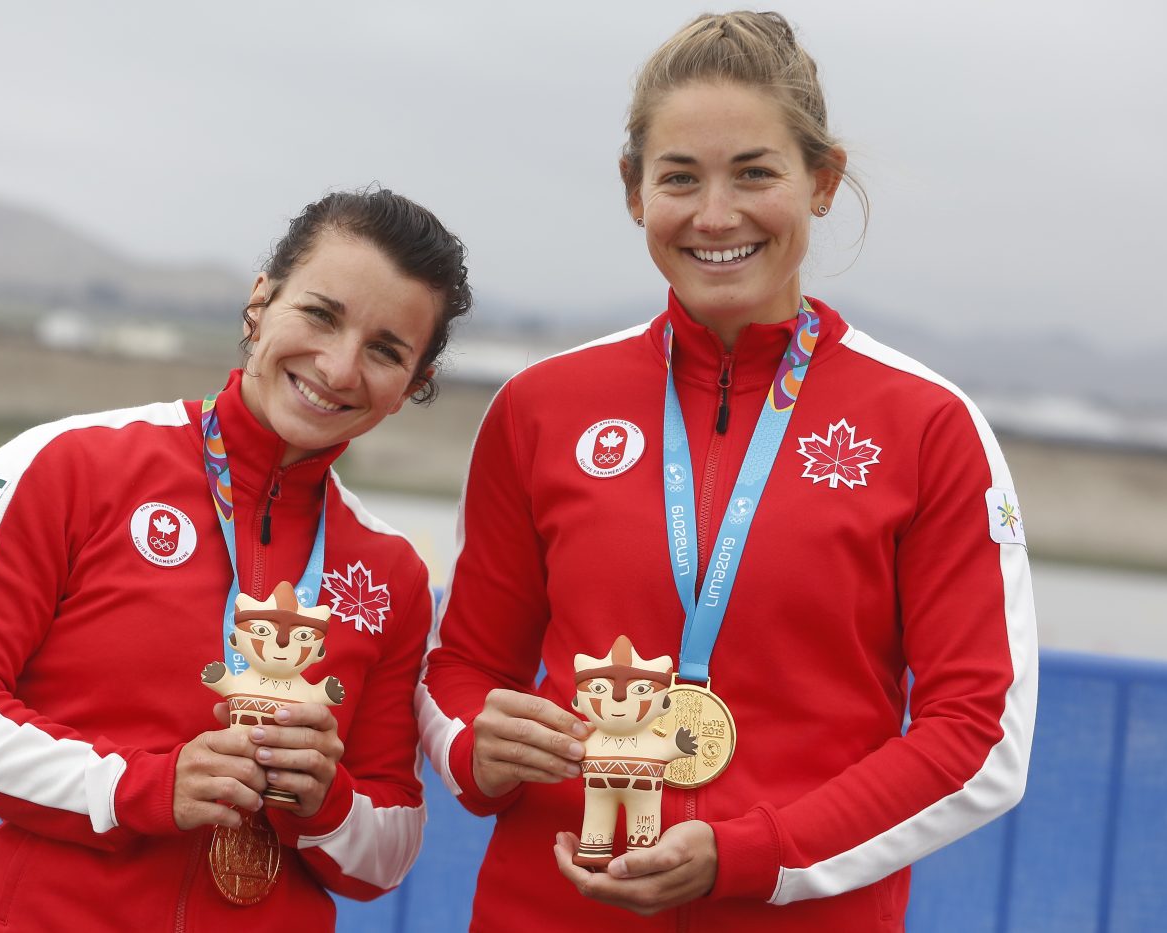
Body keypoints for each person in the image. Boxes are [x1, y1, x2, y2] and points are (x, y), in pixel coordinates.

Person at [418, 11, 1036, 931]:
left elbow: (979, 737)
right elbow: (460, 666)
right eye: (679, 177)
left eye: (755, 172)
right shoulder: (542, 406)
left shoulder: (927, 425)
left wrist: (756, 852)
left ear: (821, 182)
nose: (715, 215)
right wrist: (477, 743)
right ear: (634, 191)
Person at [0, 187, 472, 930]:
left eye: (386, 349)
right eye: (320, 315)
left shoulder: (391, 570)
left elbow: (388, 851)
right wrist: (141, 785)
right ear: (260, 302)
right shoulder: (71, 464)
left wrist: (327, 799)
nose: (338, 365)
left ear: (413, 385)